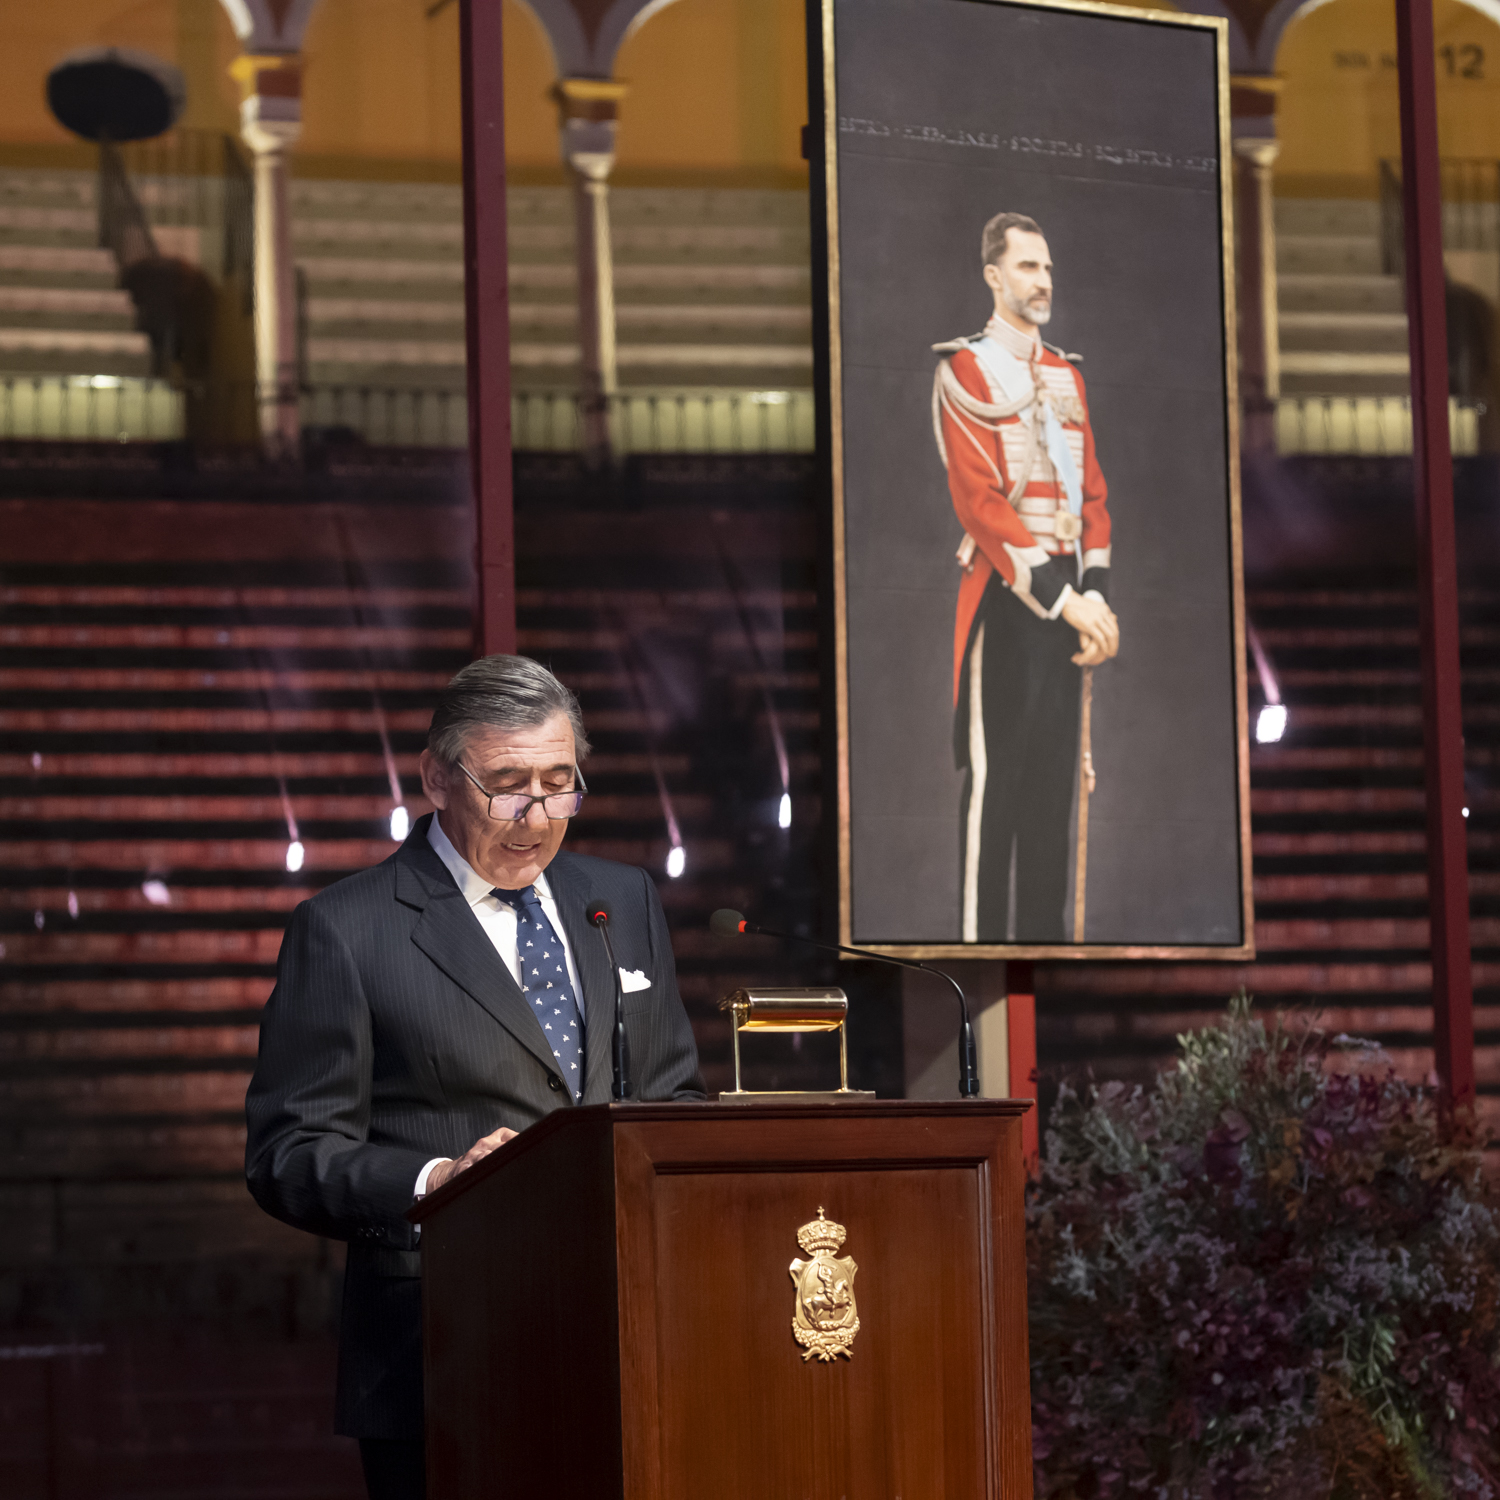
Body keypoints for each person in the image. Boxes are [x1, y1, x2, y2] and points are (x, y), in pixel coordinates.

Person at [244, 655, 705, 1500]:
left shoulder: (622, 899)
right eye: (507, 786)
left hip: (629, 1343)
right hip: (442, 1358)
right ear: (436, 778)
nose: (537, 814)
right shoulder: (347, 930)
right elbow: (288, 1152)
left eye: (560, 783)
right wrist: (437, 1183)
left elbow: (671, 1100)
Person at [932, 212, 1120, 941]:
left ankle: (1044, 958)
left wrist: (1097, 598)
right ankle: (978, 961)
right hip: (1009, 606)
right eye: (1026, 267)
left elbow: (1093, 496)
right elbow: (982, 506)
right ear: (993, 275)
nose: (1042, 281)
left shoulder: (1065, 374)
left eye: (1046, 268)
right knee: (997, 789)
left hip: (1071, 607)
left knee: (1052, 794)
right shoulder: (965, 372)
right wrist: (1067, 600)